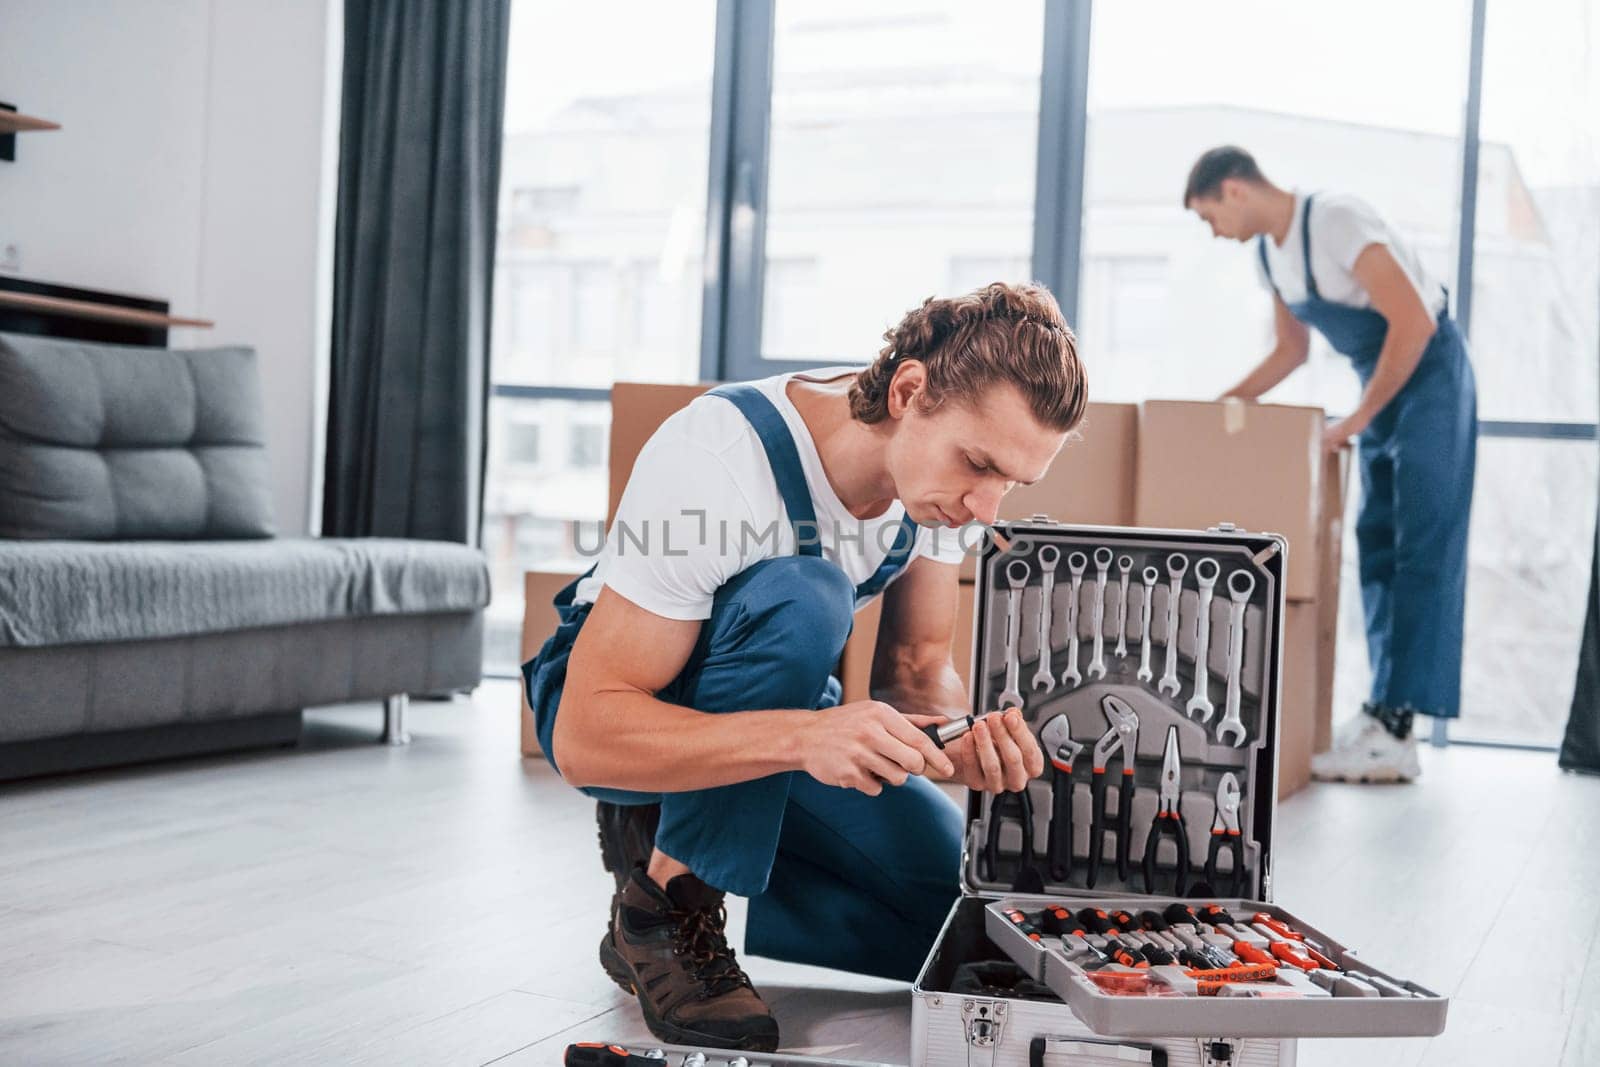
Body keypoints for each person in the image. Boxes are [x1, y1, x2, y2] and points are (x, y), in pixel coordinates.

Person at [521, 282, 1087, 1051]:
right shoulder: (719, 459)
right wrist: (802, 739)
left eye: (1012, 484)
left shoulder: (939, 496)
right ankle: (666, 904)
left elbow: (917, 673)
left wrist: (958, 742)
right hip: (617, 696)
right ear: (910, 389)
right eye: (979, 464)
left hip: (781, 704)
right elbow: (585, 735)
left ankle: (687, 829)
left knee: (961, 933)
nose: (987, 508)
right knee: (807, 595)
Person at [1183, 146, 1478, 783]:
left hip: (1428, 378)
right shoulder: (1270, 258)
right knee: (1375, 546)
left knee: (1423, 546)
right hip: (1381, 387)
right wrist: (1222, 407)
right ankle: (1382, 712)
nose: (1214, 233)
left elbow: (1415, 322)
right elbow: (1290, 352)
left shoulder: (1337, 221)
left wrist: (1358, 420)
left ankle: (1401, 729)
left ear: (1234, 190)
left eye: (1209, 217)